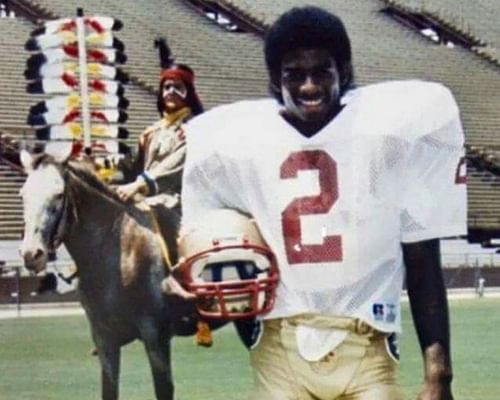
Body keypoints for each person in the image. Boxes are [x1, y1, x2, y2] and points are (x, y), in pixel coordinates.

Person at [180, 6, 466, 400]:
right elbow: (217, 256)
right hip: (279, 350)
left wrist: (439, 373)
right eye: (294, 74)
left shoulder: (388, 137)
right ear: (274, 80)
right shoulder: (240, 144)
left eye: (322, 71)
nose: (310, 86)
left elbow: (422, 261)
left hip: (366, 345)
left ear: (343, 73)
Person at [116, 38, 203, 207]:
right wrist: (106, 163)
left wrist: (138, 185)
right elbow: (132, 165)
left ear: (189, 93)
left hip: (178, 202)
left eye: (178, 87)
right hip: (145, 197)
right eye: (167, 87)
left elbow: (174, 165)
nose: (171, 92)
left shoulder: (194, 129)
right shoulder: (152, 131)